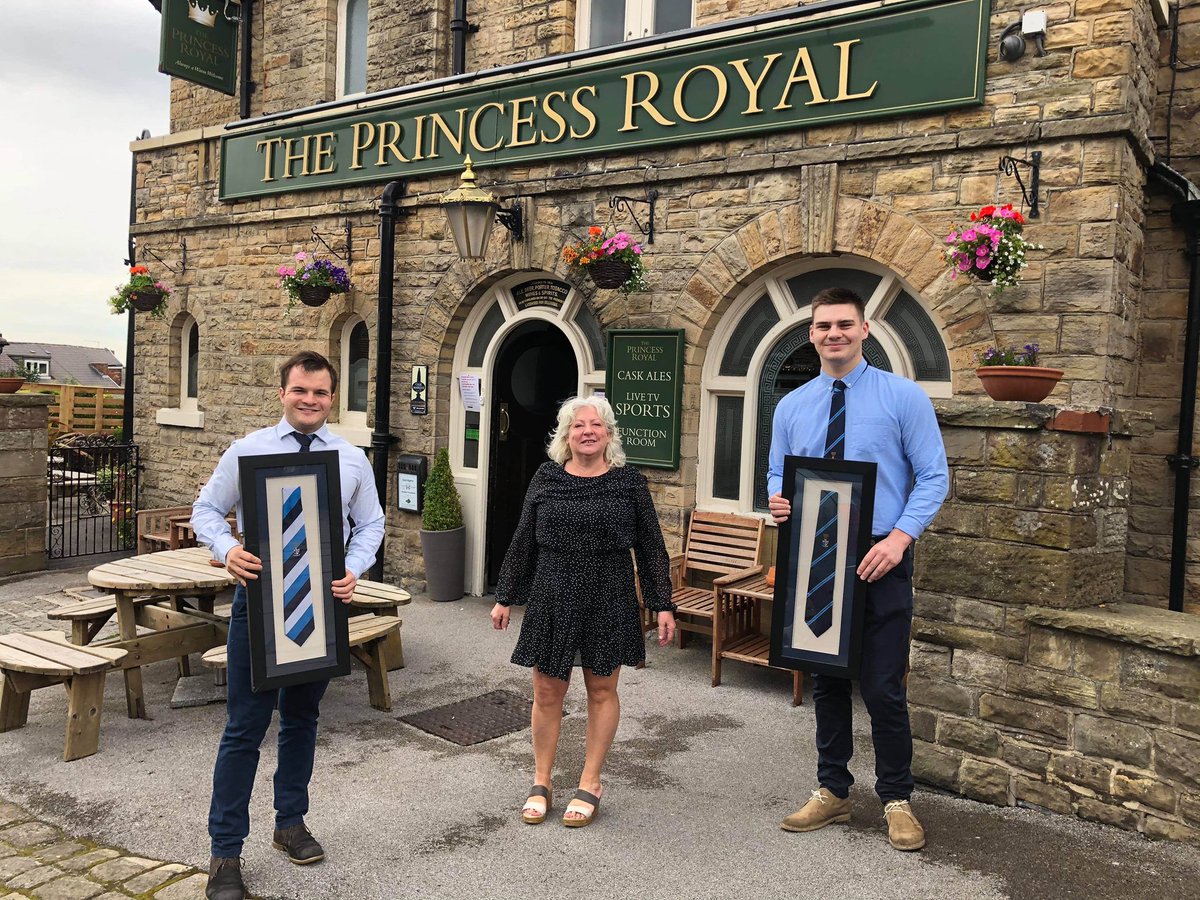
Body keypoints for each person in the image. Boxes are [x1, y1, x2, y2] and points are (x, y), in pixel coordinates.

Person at [192, 351, 384, 899]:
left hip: (321, 608)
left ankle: (290, 824)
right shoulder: (248, 450)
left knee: (302, 720)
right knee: (244, 729)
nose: (310, 400)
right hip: (259, 605)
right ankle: (225, 854)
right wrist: (227, 548)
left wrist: (353, 566)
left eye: (321, 393)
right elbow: (205, 510)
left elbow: (370, 523)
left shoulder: (350, 459)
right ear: (283, 392)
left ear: (332, 398)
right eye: (301, 390)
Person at [767, 287, 947, 851]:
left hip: (880, 556)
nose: (833, 334)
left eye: (844, 324)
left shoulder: (903, 398)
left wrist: (899, 539)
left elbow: (934, 477)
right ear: (812, 334)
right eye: (823, 326)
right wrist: (777, 501)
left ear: (864, 330)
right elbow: (776, 474)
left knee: (884, 685)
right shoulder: (791, 406)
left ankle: (896, 798)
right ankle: (833, 790)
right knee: (826, 681)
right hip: (818, 555)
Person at [490, 395, 676, 828]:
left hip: (609, 590)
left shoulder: (629, 483)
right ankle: (541, 781)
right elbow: (523, 540)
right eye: (578, 425)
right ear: (566, 435)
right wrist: (505, 595)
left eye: (596, 424)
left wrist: (661, 602)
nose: (587, 431)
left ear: (609, 434)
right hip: (552, 590)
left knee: (600, 690)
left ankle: (590, 781)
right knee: (547, 691)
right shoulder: (546, 477)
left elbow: (651, 547)